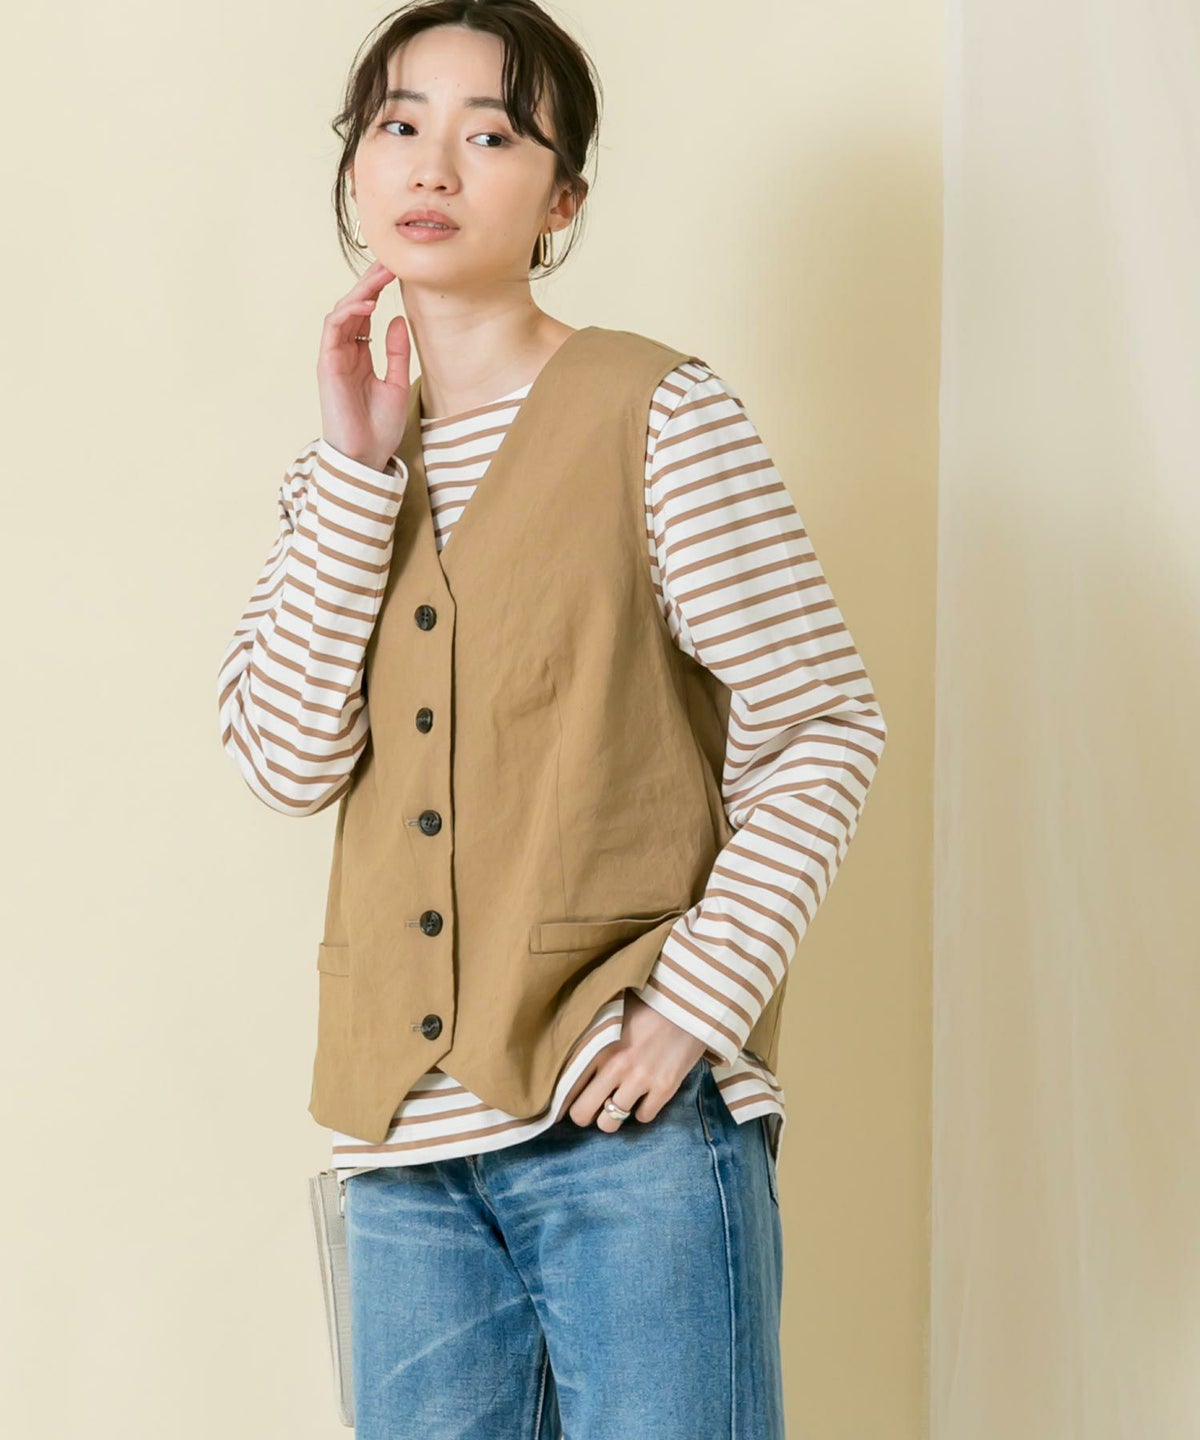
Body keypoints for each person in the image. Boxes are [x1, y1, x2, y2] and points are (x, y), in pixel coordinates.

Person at [217, 3, 887, 1435]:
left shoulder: (659, 413)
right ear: (355, 169)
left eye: (493, 134)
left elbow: (825, 720)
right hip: (403, 1162)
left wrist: (696, 1008)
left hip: (629, 1139)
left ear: (562, 197)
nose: (432, 165)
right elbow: (284, 760)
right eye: (399, 124)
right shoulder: (341, 478)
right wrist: (355, 470)